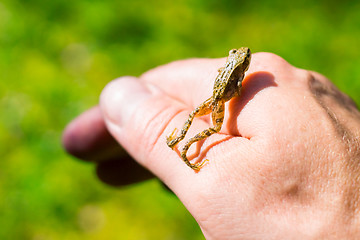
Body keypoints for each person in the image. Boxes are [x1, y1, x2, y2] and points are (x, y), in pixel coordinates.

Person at [62, 52, 360, 239]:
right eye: (241, 59)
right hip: (218, 100)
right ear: (239, 65)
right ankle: (184, 145)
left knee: (198, 117)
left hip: (217, 93)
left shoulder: (237, 71)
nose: (243, 60)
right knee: (214, 126)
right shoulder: (238, 73)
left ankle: (181, 139)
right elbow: (233, 84)